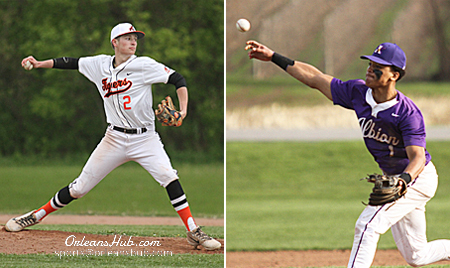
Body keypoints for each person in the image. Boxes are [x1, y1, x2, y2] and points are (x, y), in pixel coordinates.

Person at [5, 22, 221, 251]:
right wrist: (40, 63)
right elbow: (70, 62)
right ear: (114, 43)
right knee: (79, 188)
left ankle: (193, 231)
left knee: (169, 176)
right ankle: (35, 216)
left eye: (135, 38)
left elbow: (179, 79)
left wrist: (183, 110)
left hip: (145, 139)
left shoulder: (144, 65)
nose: (133, 41)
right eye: (128, 38)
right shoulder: (99, 64)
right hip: (114, 139)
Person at [245, 40, 450, 266]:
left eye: (378, 65)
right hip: (398, 179)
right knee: (416, 256)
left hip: (416, 179)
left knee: (367, 226)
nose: (370, 68)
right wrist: (274, 56)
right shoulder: (358, 92)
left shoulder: (407, 113)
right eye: (370, 63)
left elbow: (418, 157)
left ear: (394, 75)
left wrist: (403, 180)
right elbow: (315, 78)